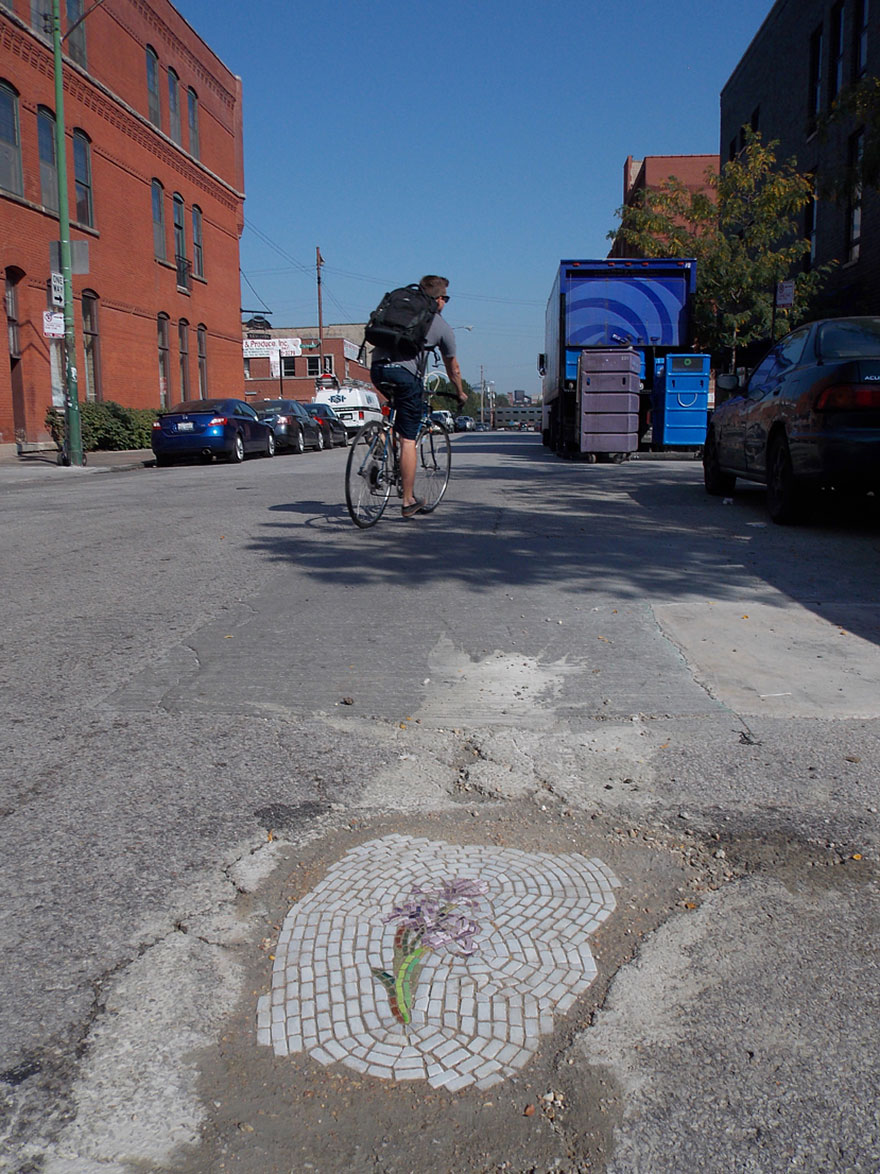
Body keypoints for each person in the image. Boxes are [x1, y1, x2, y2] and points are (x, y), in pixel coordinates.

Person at [369, 275, 468, 517]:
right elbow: (453, 368)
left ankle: (384, 435)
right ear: (440, 299)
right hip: (405, 377)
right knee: (408, 439)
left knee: (396, 416)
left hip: (377, 369)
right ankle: (407, 500)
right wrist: (460, 393)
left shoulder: (398, 306)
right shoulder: (439, 324)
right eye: (446, 298)